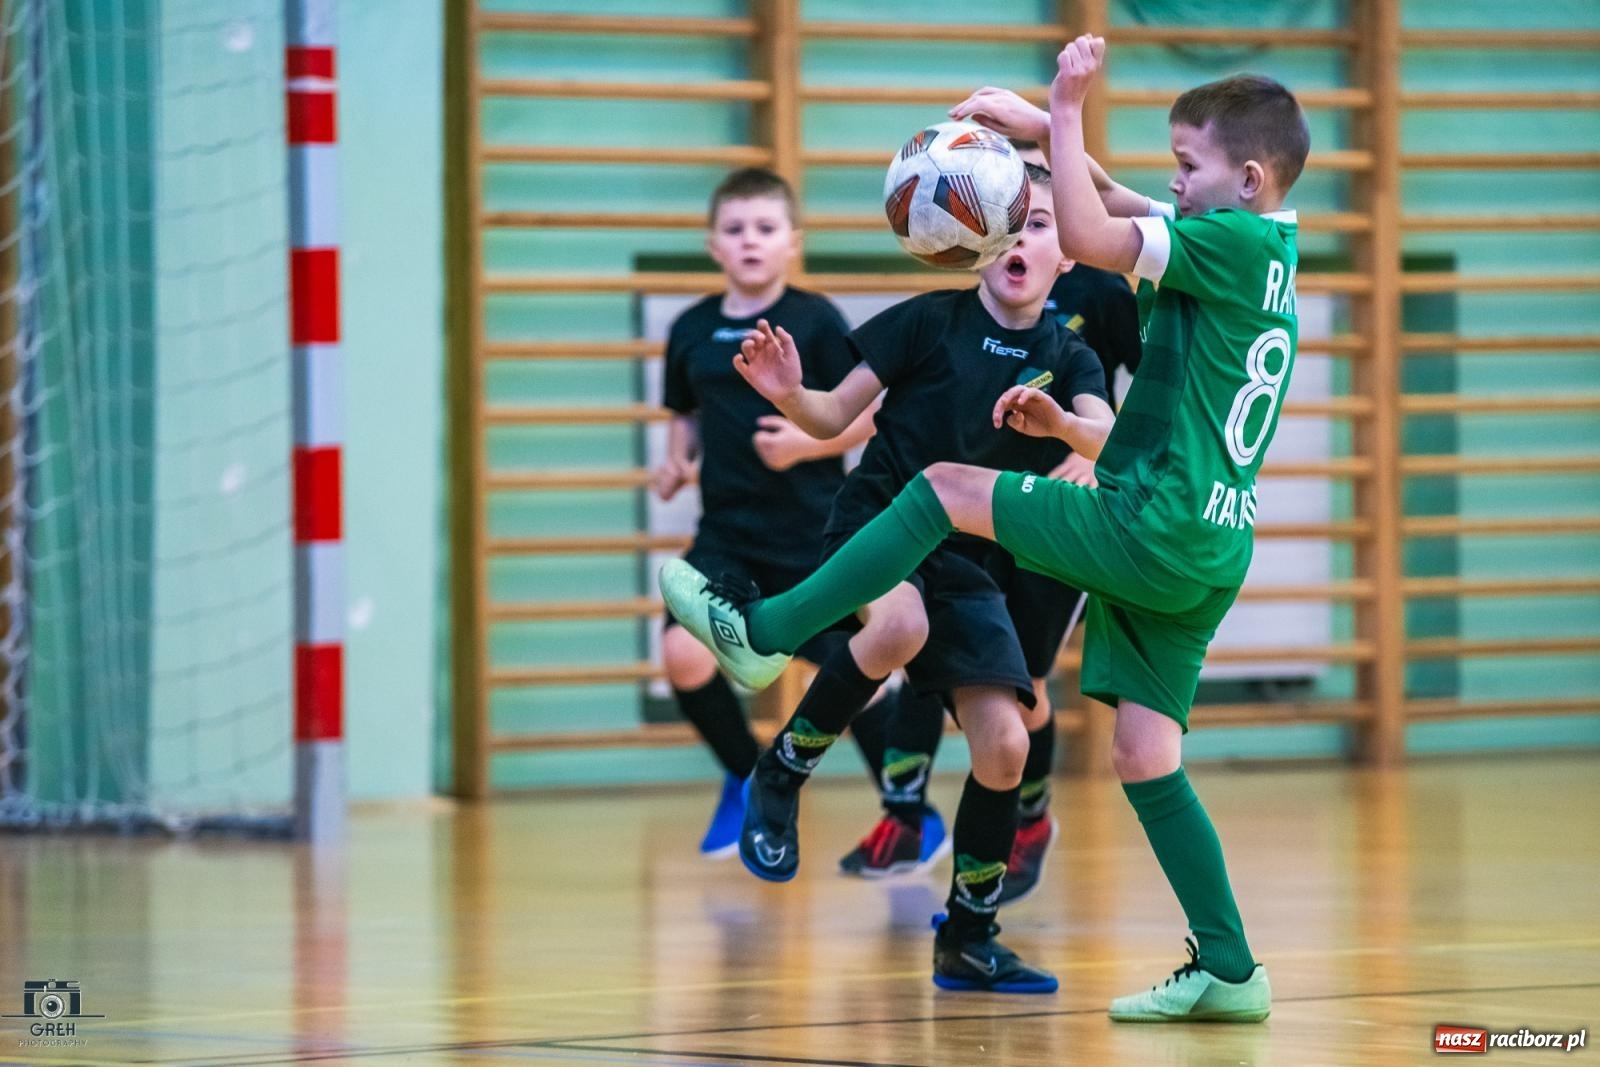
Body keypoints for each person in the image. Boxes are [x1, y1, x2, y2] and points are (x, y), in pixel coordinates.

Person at [662, 38, 1308, 1024]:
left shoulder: (1216, 245)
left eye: (1188, 165)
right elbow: (1125, 208)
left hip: (1154, 520)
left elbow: (1096, 234)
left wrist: (1062, 102)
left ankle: (770, 631)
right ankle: (1228, 964)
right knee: (1144, 755)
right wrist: (1036, 142)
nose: (1171, 183)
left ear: (1248, 179)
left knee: (949, 486)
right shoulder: (1264, 248)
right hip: (1213, 543)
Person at [672, 161, 1115, 993]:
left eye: (1045, 223)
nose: (1023, 235)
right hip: (877, 523)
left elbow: (1104, 437)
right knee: (899, 626)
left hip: (973, 562)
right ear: (971, 243)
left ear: (1071, 257)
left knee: (1006, 742)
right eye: (1007, 220)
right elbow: (834, 415)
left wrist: (1059, 423)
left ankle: (970, 938)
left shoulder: (1071, 356)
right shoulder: (925, 323)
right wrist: (789, 391)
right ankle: (782, 771)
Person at [838, 142, 1142, 899]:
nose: (1025, 229)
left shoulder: (1098, 295)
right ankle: (906, 814)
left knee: (1025, 689)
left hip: (1052, 520)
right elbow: (892, 397)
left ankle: (1031, 814)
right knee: (936, 657)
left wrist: (1087, 451)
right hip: (972, 511)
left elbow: (1144, 401)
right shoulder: (959, 303)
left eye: (1042, 213)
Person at [654, 167, 877, 857]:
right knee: (681, 652)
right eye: (735, 229)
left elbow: (867, 411)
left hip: (812, 536)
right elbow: (685, 414)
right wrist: (674, 459)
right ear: (713, 244)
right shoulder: (691, 328)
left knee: (858, 677)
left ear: (792, 242)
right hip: (727, 536)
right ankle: (746, 777)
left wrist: (807, 446)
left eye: (765, 228)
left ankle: (908, 810)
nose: (750, 241)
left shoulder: (815, 319)